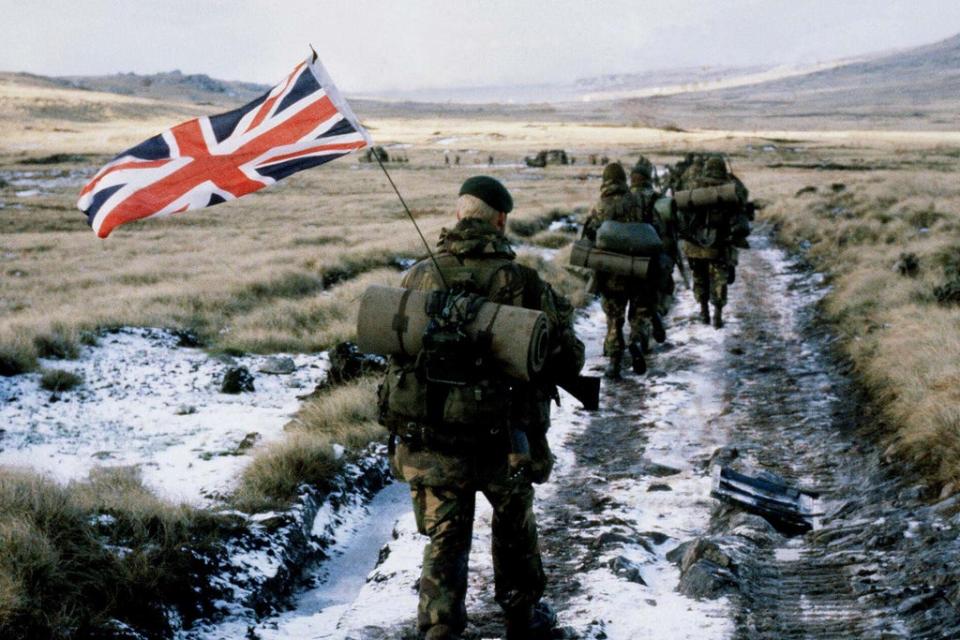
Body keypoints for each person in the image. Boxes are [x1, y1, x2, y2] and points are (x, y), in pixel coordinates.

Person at [377, 176, 585, 640]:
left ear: (458, 215)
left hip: (431, 437)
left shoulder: (417, 276)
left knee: (445, 535)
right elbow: (568, 359)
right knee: (513, 528)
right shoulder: (526, 282)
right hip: (504, 439)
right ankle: (522, 616)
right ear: (501, 219)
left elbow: (398, 351)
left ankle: (439, 626)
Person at [582, 162, 663, 379]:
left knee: (614, 320)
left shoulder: (600, 205)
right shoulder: (638, 200)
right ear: (623, 180)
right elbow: (655, 229)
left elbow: (588, 236)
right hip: (639, 270)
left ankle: (614, 363)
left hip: (611, 274)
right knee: (638, 315)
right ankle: (636, 342)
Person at [680, 156, 751, 328]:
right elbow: (743, 202)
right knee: (720, 279)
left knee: (700, 277)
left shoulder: (694, 186)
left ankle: (703, 311)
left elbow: (683, 211)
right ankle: (717, 315)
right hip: (721, 242)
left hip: (695, 244)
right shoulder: (730, 188)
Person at [630, 157, 678, 316]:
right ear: (648, 179)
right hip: (653, 256)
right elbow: (670, 230)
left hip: (627, 254)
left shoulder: (623, 199)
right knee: (665, 284)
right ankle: (660, 309)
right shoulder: (659, 200)